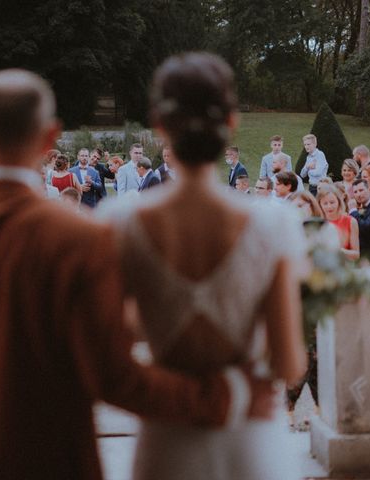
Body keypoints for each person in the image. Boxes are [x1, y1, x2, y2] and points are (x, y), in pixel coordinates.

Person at [0, 68, 279, 480]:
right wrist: (221, 398)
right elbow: (114, 376)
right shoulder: (82, 238)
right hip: (56, 463)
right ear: (50, 137)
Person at [102, 52, 306, 480]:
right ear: (231, 123)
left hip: (166, 442)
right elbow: (289, 361)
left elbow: (106, 354)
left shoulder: (120, 223)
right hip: (250, 439)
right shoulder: (273, 222)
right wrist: (232, 389)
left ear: (160, 126)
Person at [317, 185, 360, 261]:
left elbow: (356, 254)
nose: (329, 206)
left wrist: (338, 251)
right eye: (325, 203)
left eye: (332, 202)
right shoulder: (317, 223)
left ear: (339, 202)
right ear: (319, 204)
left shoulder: (351, 221)